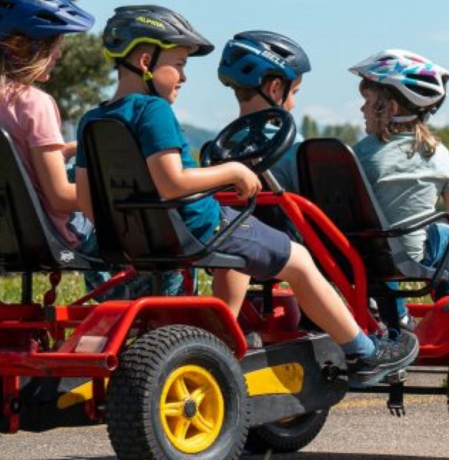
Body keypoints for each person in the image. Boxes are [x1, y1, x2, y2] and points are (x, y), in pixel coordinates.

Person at [73, 6, 418, 387]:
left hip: (143, 238)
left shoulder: (94, 119)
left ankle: (220, 344)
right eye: (179, 64)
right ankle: (363, 352)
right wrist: (234, 172)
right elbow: (172, 182)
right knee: (299, 259)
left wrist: (132, 230)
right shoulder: (153, 110)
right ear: (145, 60)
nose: (184, 76)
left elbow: (89, 200)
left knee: (238, 255)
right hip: (201, 226)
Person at [0, 0, 177, 299]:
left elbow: (19, 167)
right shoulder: (34, 103)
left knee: (84, 176)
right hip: (56, 234)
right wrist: (132, 194)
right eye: (54, 43)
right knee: (167, 242)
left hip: (8, 231)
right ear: (23, 45)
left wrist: (72, 150)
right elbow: (59, 198)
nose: (58, 53)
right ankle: (165, 324)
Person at [348, 49, 449, 330]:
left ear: (391, 109)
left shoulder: (357, 155)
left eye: (367, 102)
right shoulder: (436, 155)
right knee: (445, 232)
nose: (361, 110)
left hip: (357, 257)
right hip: (408, 257)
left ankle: (397, 322)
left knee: (381, 242)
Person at [216, 30, 310, 194]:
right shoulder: (294, 146)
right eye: (294, 92)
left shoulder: (218, 148)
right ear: (274, 88)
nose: (293, 104)